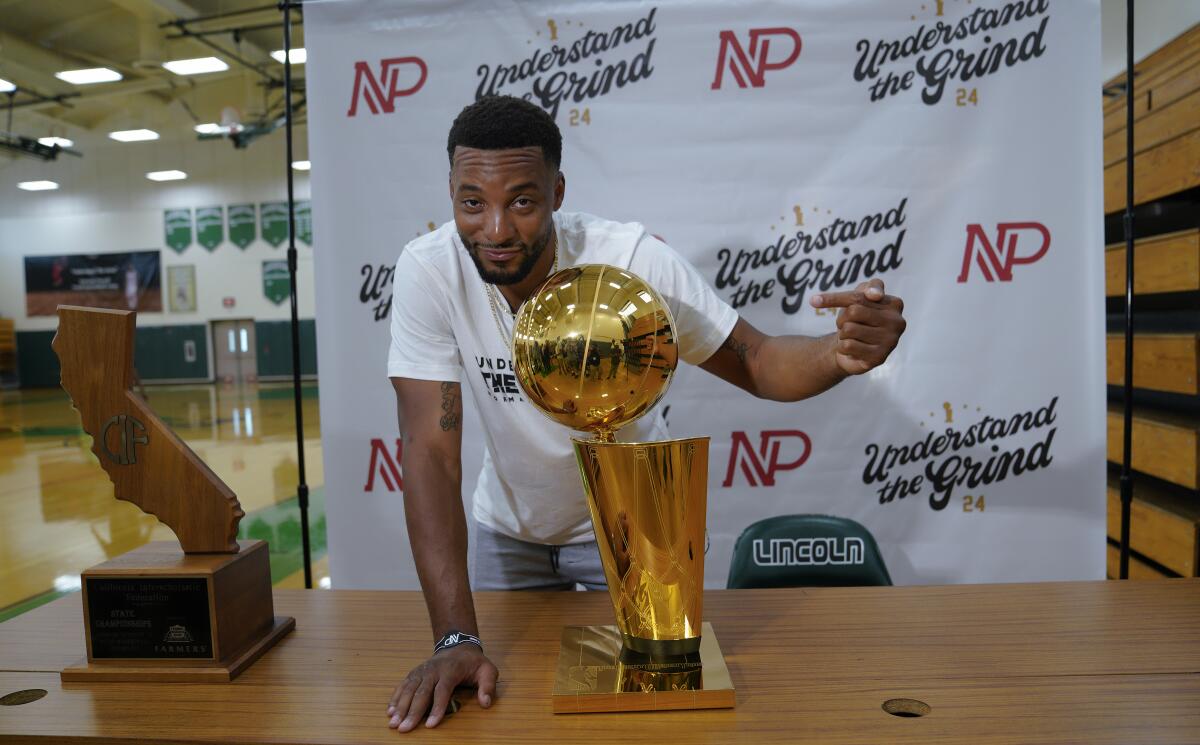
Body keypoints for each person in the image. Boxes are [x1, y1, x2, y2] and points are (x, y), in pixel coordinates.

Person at [385, 96, 906, 731]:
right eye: (472, 203)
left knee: (659, 714)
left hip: (635, 527)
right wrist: (451, 639)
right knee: (508, 718)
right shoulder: (430, 270)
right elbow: (431, 453)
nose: (495, 229)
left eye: (522, 201)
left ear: (557, 191)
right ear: (450, 195)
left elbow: (759, 360)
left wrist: (840, 351)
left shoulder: (629, 262)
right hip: (510, 532)